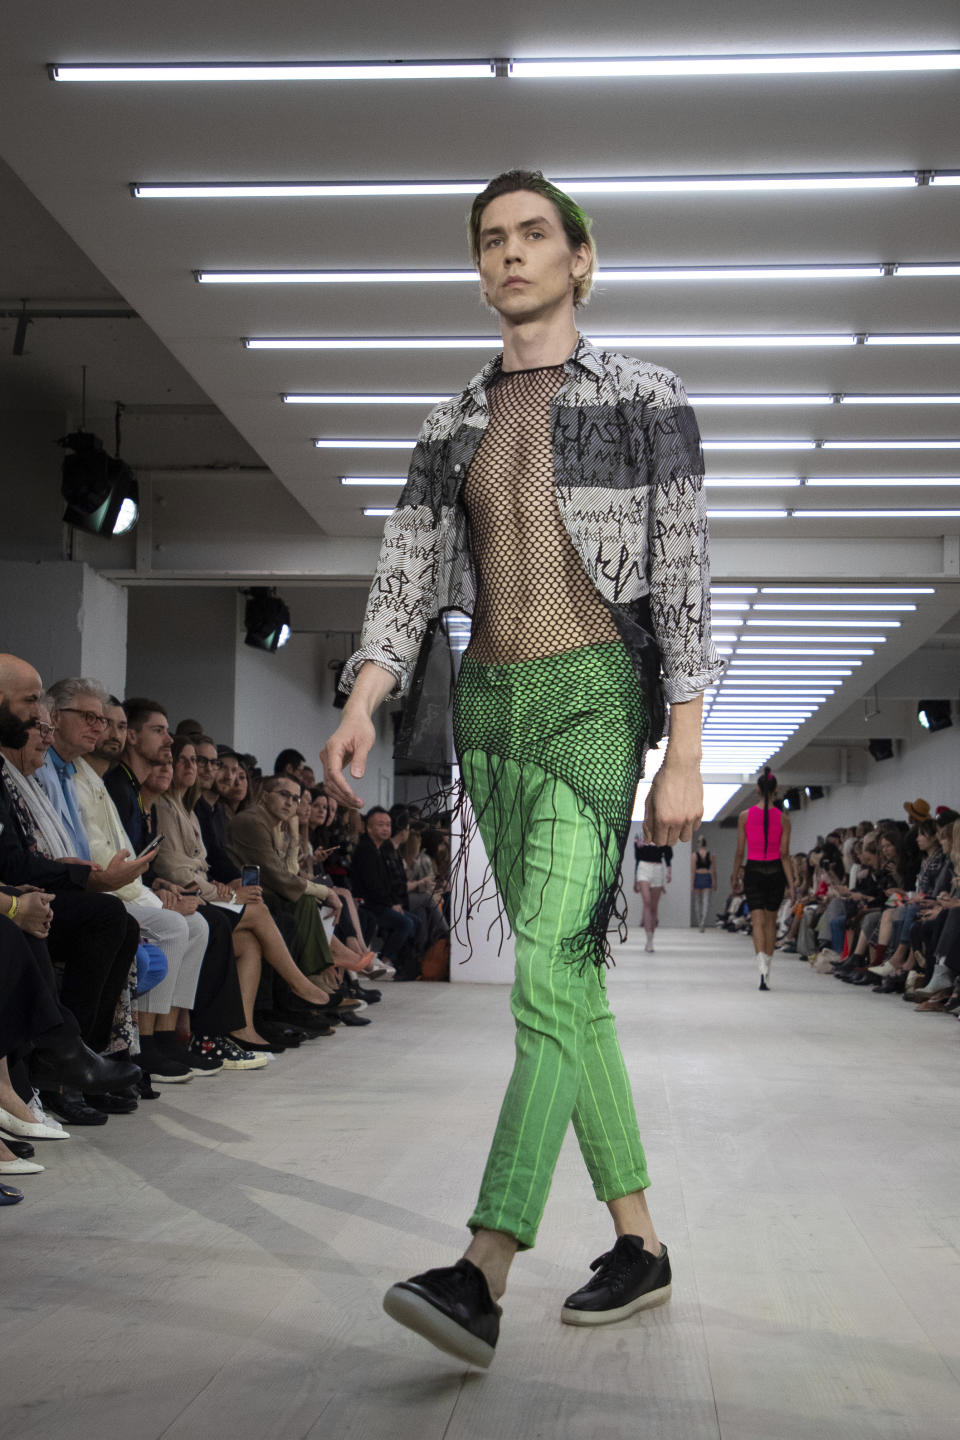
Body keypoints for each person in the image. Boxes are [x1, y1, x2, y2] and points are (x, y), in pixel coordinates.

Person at [321, 169, 719, 1367]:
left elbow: (687, 571)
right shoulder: (453, 420)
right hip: (488, 709)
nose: (512, 254)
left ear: (581, 260)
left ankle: (484, 1265)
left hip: (597, 694)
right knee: (569, 987)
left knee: (545, 977)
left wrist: (687, 749)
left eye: (535, 235)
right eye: (491, 240)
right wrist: (363, 698)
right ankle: (639, 1242)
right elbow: (408, 569)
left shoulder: (649, 398)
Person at [731, 768, 795, 991]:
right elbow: (785, 854)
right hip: (776, 871)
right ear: (776, 790)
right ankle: (768, 968)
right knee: (771, 920)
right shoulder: (784, 819)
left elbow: (740, 851)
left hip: (754, 870)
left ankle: (760, 966)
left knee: (757, 920)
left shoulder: (745, 817)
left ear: (757, 789)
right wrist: (792, 883)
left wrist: (735, 874)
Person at [633, 835, 672, 952]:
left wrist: (669, 872)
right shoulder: (639, 836)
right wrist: (635, 880)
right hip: (643, 868)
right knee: (647, 902)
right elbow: (637, 858)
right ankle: (648, 937)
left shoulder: (663, 834)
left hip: (658, 869)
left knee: (654, 907)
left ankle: (650, 940)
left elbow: (667, 854)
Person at [690, 833, 717, 932]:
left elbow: (693, 871)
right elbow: (713, 870)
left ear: (698, 844)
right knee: (705, 901)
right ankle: (702, 922)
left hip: (698, 876)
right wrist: (714, 882)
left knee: (698, 901)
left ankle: (700, 922)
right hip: (706, 876)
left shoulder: (694, 855)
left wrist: (692, 884)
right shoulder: (710, 855)